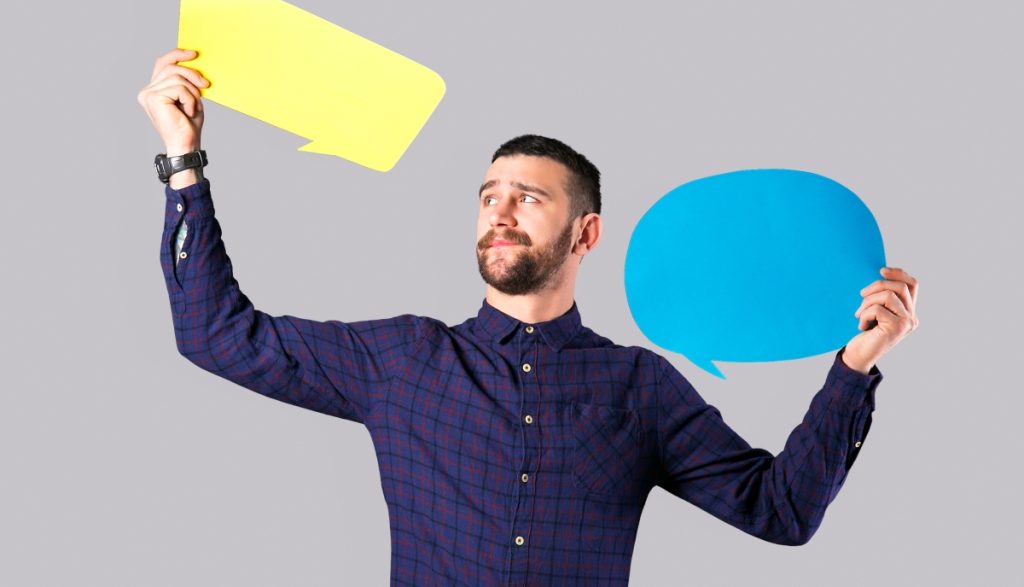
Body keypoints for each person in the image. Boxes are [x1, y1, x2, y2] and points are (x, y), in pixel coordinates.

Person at [137, 48, 920, 586]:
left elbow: (778, 510)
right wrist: (183, 161)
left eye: (529, 197)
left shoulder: (639, 387)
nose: (500, 213)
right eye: (489, 196)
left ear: (586, 233)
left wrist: (853, 369)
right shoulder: (402, 358)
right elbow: (215, 334)